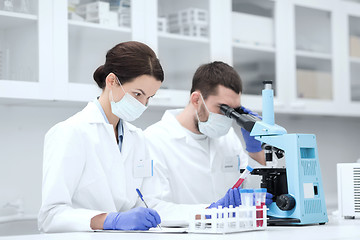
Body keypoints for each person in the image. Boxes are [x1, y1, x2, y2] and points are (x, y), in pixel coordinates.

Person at [38, 41, 165, 232]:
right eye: (137, 94)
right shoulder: (71, 132)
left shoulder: (137, 138)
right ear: (112, 81)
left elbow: (146, 200)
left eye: (149, 97)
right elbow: (50, 216)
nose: (143, 104)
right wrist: (109, 220)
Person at [142, 61, 271, 223]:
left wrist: (255, 150)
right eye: (223, 108)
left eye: (234, 111)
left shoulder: (228, 137)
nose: (227, 117)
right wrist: (211, 211)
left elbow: (254, 190)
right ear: (196, 100)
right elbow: (154, 208)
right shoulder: (154, 139)